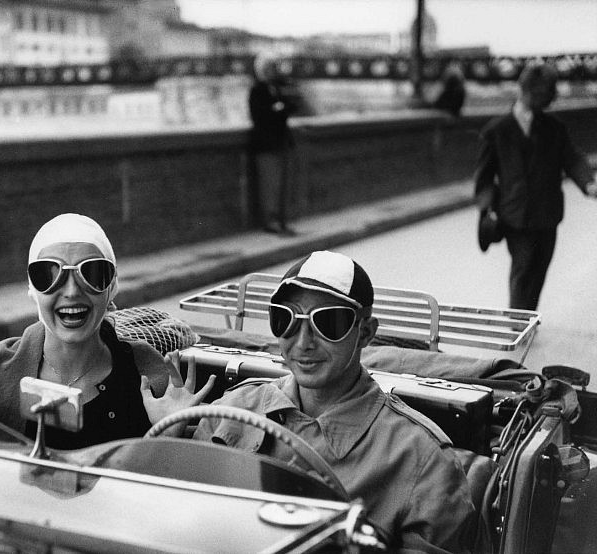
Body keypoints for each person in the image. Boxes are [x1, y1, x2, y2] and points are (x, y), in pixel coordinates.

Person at [187, 251, 476, 552]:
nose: (302, 343)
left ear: (365, 333)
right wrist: (169, 431)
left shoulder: (421, 459)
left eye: (328, 323)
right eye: (286, 319)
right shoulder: (233, 409)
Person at [0, 213, 213, 449]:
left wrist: (166, 436)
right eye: (49, 274)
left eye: (92, 273)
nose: (72, 291)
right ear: (33, 289)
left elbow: (152, 489)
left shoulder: (148, 374)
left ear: (111, 287)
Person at [474, 62, 597, 310]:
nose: (551, 100)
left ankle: (527, 317)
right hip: (515, 216)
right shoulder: (496, 131)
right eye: (546, 93)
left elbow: (572, 157)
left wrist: (589, 183)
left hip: (548, 215)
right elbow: (484, 177)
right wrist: (487, 210)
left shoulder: (555, 128)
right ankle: (518, 324)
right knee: (523, 268)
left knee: (539, 269)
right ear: (527, 91)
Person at [248, 52, 298, 235]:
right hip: (266, 145)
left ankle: (281, 220)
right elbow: (260, 116)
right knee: (269, 184)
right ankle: (270, 221)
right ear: (262, 70)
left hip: (280, 143)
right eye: (269, 68)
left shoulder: (275, 88)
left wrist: (279, 109)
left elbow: (288, 107)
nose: (273, 71)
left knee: (281, 185)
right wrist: (278, 110)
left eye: (274, 68)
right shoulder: (257, 90)